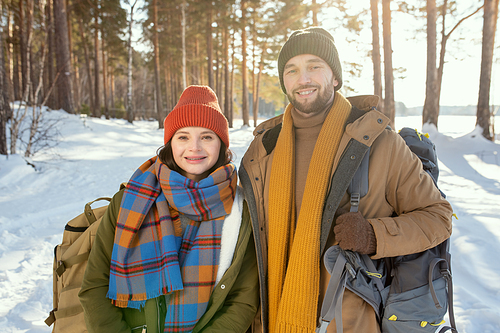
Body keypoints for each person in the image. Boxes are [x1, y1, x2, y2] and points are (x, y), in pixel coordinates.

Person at [238, 27, 453, 333]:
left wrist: (375, 235)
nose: (303, 78)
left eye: (315, 66)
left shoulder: (378, 142)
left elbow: (439, 218)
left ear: (335, 77)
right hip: (272, 319)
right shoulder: (263, 149)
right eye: (292, 70)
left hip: (348, 321)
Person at [79, 85, 259, 333]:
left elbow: (243, 298)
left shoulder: (240, 211)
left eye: (206, 136)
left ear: (221, 144)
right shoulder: (130, 201)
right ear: (170, 143)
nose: (194, 147)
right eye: (183, 136)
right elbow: (94, 287)